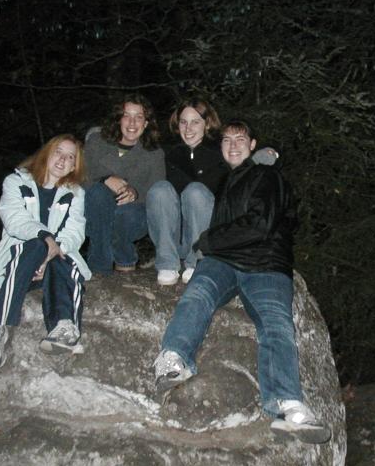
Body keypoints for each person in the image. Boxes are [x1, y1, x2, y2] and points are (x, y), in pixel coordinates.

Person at [153, 120, 331, 444]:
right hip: (223, 261)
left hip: (265, 263)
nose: (233, 144)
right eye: (226, 140)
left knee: (276, 324)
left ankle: (288, 404)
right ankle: (173, 357)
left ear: (252, 145)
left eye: (240, 139)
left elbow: (260, 224)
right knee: (197, 294)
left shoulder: (267, 176)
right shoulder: (225, 180)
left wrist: (208, 240)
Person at [0, 134, 92, 370]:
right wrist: (45, 239)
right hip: (18, 263)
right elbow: (14, 219)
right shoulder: (16, 181)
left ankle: (65, 327)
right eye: (58, 152)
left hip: (52, 265)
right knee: (37, 244)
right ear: (47, 153)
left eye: (70, 157)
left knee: (62, 257)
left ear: (74, 166)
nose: (62, 160)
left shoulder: (75, 193)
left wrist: (53, 251)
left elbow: (75, 232)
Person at [146, 96, 225, 286]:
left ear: (207, 123)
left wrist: (272, 152)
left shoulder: (221, 150)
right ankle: (167, 263)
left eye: (195, 122)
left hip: (205, 236)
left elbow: (247, 151)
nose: (188, 128)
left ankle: (197, 262)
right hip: (175, 236)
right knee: (159, 189)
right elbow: (134, 149)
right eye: (183, 122)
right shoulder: (166, 151)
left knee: (195, 191)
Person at [83, 94, 165, 274]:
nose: (132, 122)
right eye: (127, 115)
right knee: (98, 194)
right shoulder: (96, 141)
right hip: (96, 210)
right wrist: (104, 178)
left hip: (132, 214)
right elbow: (80, 175)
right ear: (119, 119)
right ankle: (99, 266)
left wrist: (134, 193)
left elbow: (157, 193)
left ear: (146, 123)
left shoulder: (154, 153)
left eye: (139, 117)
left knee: (125, 214)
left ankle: (124, 260)